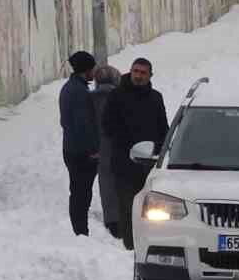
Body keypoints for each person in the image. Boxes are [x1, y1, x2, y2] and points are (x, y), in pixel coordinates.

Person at [101, 57, 168, 251]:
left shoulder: (156, 97)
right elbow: (107, 126)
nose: (138, 76)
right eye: (135, 71)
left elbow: (163, 128)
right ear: (130, 72)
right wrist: (126, 138)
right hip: (124, 162)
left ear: (150, 75)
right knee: (128, 205)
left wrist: (162, 151)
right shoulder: (116, 96)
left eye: (142, 73)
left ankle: (153, 244)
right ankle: (130, 246)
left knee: (153, 208)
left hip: (150, 164)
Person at [59, 50, 99, 236]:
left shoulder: (69, 88)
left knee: (77, 191)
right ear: (86, 70)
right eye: (92, 68)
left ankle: (80, 230)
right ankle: (81, 232)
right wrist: (92, 150)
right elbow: (83, 125)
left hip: (71, 149)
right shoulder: (80, 92)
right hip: (81, 153)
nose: (94, 72)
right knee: (81, 193)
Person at [91, 64, 123, 237]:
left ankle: (111, 220)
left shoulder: (90, 99)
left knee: (106, 184)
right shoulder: (120, 98)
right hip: (118, 147)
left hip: (100, 148)